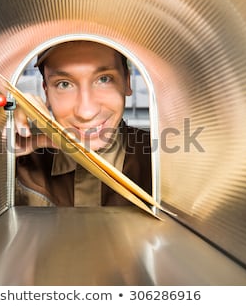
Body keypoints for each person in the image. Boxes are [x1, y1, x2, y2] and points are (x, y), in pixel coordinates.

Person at [14, 40, 151, 207]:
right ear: (46, 92)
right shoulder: (21, 161)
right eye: (64, 84)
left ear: (127, 82)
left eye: (104, 79)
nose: (86, 112)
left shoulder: (162, 160)